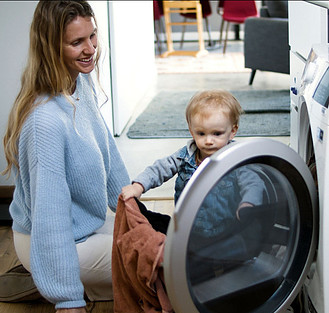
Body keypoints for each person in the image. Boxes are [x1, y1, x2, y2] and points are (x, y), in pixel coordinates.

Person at [1, 1, 130, 312]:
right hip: (51, 240)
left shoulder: (78, 81)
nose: (90, 49)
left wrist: (133, 210)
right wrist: (66, 298)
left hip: (83, 228)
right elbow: (51, 216)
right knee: (165, 260)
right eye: (76, 42)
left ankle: (51, 278)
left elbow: (107, 151)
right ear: (51, 47)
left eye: (92, 36)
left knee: (168, 236)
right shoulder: (44, 120)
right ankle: (49, 276)